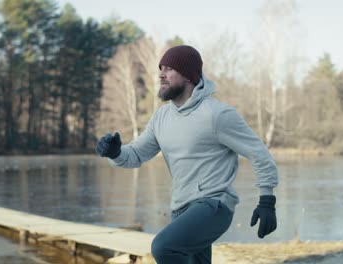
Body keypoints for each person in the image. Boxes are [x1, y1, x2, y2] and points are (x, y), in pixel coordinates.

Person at [95, 45, 279, 264]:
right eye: (161, 68)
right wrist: (115, 152)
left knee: (163, 247)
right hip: (181, 208)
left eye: (169, 68)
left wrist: (267, 201)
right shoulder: (161, 117)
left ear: (189, 76)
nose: (161, 74)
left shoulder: (217, 114)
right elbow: (135, 155)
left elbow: (259, 153)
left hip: (214, 205)